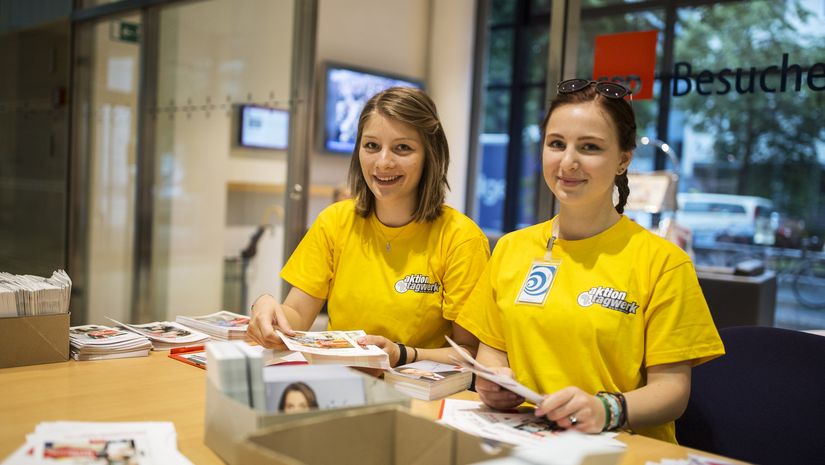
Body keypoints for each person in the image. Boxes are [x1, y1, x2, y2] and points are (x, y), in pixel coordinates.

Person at [456, 79, 725, 444]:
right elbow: (491, 350)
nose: (568, 162)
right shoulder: (511, 248)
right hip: (525, 442)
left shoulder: (663, 262)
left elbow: (672, 392)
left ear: (623, 159)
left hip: (619, 448)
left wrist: (606, 410)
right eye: (556, 144)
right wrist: (492, 381)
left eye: (590, 147)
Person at [247, 86, 490, 367]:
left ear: (429, 155)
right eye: (372, 146)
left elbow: (470, 352)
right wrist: (267, 310)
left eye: (403, 148)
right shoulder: (334, 221)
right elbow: (297, 316)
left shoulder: (461, 237)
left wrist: (402, 353)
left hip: (419, 394)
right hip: (339, 383)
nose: (383, 162)